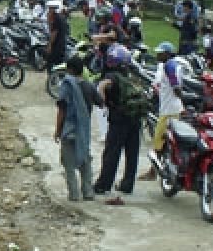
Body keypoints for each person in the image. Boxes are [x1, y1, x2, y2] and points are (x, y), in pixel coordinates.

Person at [94, 45, 150, 205]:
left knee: (112, 152)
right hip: (135, 118)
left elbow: (103, 85)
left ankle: (103, 185)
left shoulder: (112, 75)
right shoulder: (131, 75)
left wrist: (102, 100)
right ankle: (127, 184)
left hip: (119, 119)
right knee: (132, 154)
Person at [53, 55, 99, 202]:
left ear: (70, 70)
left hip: (69, 129)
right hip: (83, 131)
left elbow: (62, 110)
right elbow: (101, 102)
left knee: (68, 162)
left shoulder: (67, 85)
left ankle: (73, 194)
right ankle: (88, 192)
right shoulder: (89, 85)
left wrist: (58, 130)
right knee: (85, 160)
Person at [139, 41, 184, 181]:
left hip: (169, 111)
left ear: (167, 54)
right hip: (173, 108)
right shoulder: (173, 65)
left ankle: (153, 172)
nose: (158, 54)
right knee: (168, 141)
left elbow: (176, 87)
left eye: (160, 53)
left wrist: (178, 94)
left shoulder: (169, 66)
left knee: (158, 141)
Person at [46, 0, 68, 71]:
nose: (48, 11)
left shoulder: (56, 19)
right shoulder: (61, 17)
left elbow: (53, 34)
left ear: (53, 9)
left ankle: (51, 79)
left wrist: (49, 45)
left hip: (56, 45)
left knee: (50, 62)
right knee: (59, 64)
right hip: (61, 44)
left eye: (50, 9)